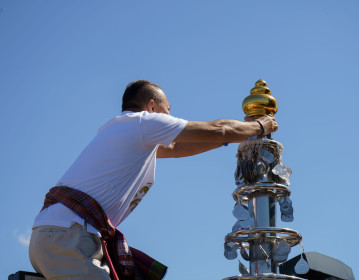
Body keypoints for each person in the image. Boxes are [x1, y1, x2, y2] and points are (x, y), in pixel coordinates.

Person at [29, 80, 278, 280]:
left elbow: (181, 146)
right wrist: (259, 125)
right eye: (168, 111)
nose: (171, 116)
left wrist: (238, 137)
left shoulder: (125, 132)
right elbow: (218, 128)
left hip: (59, 237)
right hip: (66, 238)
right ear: (151, 107)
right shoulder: (142, 123)